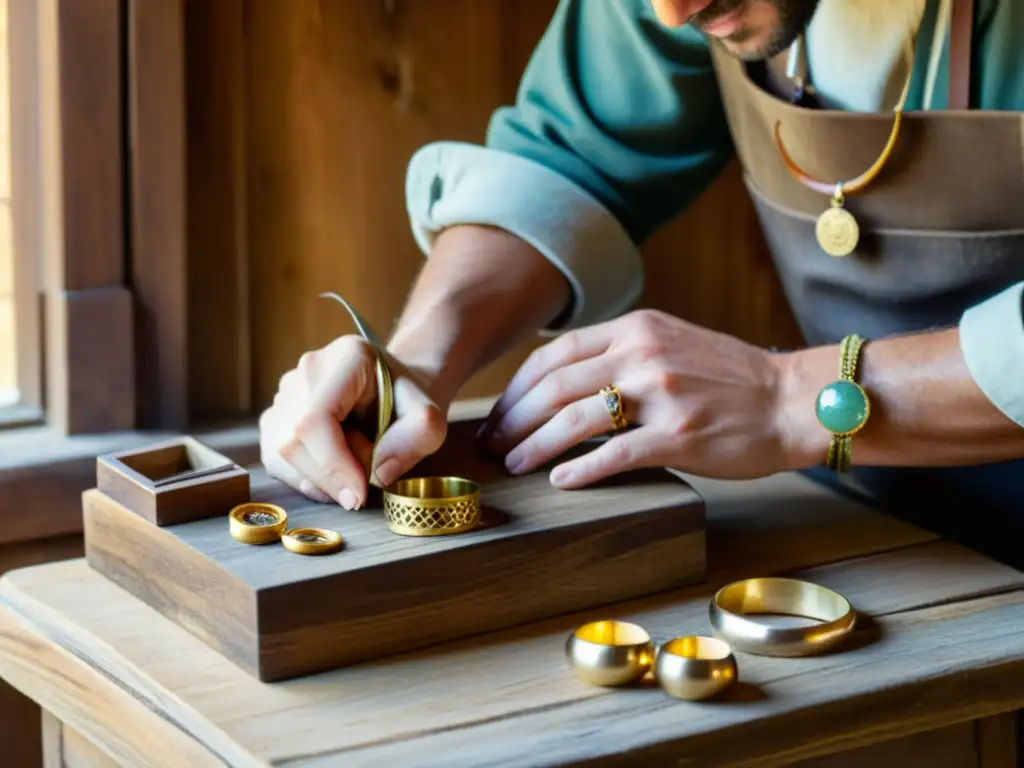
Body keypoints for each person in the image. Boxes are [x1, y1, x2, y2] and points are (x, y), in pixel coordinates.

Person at [258, 0, 1024, 566]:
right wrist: (416, 364)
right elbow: (574, 157)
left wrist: (785, 398)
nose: (670, 12)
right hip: (890, 537)